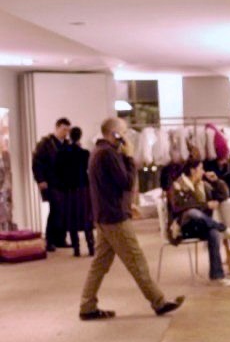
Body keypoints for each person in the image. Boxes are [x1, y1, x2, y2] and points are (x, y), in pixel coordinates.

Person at [79, 117, 184, 320]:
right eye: (124, 132)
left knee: (99, 264)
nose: (126, 136)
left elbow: (112, 186)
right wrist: (128, 157)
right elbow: (126, 182)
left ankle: (87, 305)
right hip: (115, 218)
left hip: (105, 215)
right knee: (136, 260)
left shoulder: (99, 152)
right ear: (115, 133)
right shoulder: (108, 154)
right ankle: (159, 302)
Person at [167, 158, 230, 286]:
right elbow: (179, 207)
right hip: (183, 228)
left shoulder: (203, 185)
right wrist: (206, 205)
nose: (203, 171)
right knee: (192, 212)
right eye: (201, 168)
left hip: (200, 226)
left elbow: (224, 195)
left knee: (213, 232)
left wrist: (216, 181)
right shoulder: (177, 185)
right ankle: (225, 229)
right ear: (193, 170)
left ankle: (217, 275)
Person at [32, 117, 71, 251]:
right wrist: (40, 179)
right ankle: (49, 241)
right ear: (57, 128)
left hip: (64, 183)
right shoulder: (46, 143)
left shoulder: (66, 144)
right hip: (51, 182)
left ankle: (60, 239)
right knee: (55, 210)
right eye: (64, 129)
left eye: (68, 130)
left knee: (64, 211)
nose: (66, 133)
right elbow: (37, 162)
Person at [56, 127, 95, 257]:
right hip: (83, 188)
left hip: (69, 189)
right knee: (86, 218)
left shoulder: (63, 153)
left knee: (72, 219)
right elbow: (89, 169)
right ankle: (91, 246)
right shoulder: (85, 153)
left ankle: (76, 248)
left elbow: (58, 171)